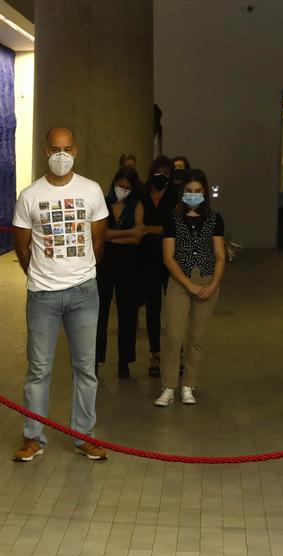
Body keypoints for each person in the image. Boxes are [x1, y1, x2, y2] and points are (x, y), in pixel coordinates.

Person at [10, 126, 109, 462]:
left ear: (75, 150)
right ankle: (33, 437)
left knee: (85, 369)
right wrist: (39, 274)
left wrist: (81, 272)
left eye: (67, 149)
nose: (61, 155)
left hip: (84, 293)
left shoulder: (91, 190)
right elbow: (21, 246)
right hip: (43, 296)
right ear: (45, 152)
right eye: (55, 149)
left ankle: (84, 436)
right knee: (39, 369)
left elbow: (98, 240)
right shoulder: (30, 195)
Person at [158, 170, 226, 407]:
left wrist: (213, 285)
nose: (193, 195)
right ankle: (168, 386)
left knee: (196, 337)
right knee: (174, 335)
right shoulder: (172, 219)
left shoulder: (215, 219)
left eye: (198, 191)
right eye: (189, 191)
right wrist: (188, 285)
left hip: (207, 281)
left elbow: (219, 255)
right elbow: (168, 257)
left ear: (205, 192)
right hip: (180, 282)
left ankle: (189, 385)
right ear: (182, 192)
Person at [95, 167, 148, 378]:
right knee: (100, 312)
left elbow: (138, 237)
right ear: (114, 183)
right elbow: (101, 234)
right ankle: (96, 359)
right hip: (104, 262)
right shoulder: (104, 204)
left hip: (129, 263)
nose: (122, 190)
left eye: (127, 187)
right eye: (120, 185)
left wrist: (112, 236)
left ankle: (124, 361)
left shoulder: (137, 206)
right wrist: (127, 233)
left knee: (128, 313)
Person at [142, 160, 179, 377]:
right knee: (152, 308)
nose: (161, 176)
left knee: (174, 308)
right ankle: (154, 353)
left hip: (171, 258)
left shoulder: (175, 194)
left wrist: (148, 228)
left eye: (166, 173)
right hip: (147, 258)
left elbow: (174, 226)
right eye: (158, 172)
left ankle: (177, 353)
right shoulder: (143, 193)